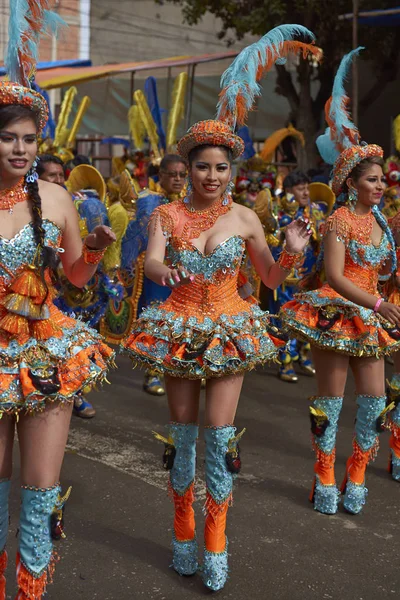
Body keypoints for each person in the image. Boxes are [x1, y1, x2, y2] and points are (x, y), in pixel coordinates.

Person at [122, 23, 319, 591]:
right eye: (202, 167)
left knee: (219, 438)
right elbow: (153, 263)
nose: (211, 176)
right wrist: (166, 269)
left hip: (230, 326)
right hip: (182, 325)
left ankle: (215, 542)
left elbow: (273, 279)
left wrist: (291, 250)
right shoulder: (168, 215)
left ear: (232, 171)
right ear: (189, 169)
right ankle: (183, 533)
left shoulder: (246, 218)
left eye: (221, 168)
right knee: (182, 439)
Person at [0, 7, 116, 597]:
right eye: (8, 138)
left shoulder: (57, 197)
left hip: (45, 351)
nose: (20, 149)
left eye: (29, 139)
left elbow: (75, 281)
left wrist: (93, 249)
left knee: (42, 489)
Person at [280, 48, 400, 517]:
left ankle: (355, 473)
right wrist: (376, 302)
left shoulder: (383, 224)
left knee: (373, 402)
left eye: (382, 181)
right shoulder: (339, 221)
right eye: (372, 180)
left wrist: (381, 296)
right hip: (338, 312)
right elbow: (332, 275)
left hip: (370, 314)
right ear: (352, 184)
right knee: (329, 402)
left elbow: (386, 269)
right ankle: (323, 474)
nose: (380, 186)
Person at [121, 154, 187, 396]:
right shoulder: (150, 202)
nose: (178, 179)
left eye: (182, 175)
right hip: (158, 271)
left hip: (186, 272)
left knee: (186, 321)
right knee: (159, 320)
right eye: (172, 174)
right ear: (161, 176)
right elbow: (139, 236)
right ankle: (153, 371)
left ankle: (183, 366)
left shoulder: (191, 202)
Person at [268, 171, 332, 382]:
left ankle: (303, 355)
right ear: (288, 191)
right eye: (300, 188)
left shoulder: (316, 212)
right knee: (285, 317)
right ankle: (285, 360)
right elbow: (271, 241)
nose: (305, 192)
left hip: (311, 275)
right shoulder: (278, 212)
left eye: (307, 187)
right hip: (288, 277)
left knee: (308, 317)